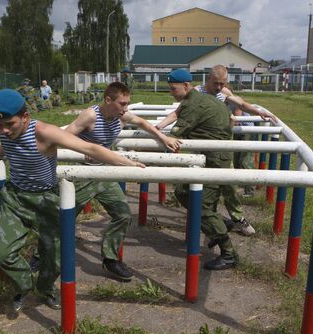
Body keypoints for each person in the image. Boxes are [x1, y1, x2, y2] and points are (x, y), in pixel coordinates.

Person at [0, 89, 145, 312]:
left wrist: (127, 163)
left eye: (9, 124)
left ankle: (45, 289)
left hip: (46, 200)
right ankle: (24, 285)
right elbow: (5, 147)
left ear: (25, 117)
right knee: (2, 255)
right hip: (15, 199)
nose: (4, 130)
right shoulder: (6, 130)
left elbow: (89, 147)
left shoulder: (45, 132)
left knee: (56, 258)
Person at [64, 81, 181, 281]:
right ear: (108, 100)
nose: (126, 109)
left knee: (123, 215)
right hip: (83, 175)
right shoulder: (90, 116)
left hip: (104, 173)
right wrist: (82, 151)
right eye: (122, 104)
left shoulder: (120, 115)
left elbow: (142, 122)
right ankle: (41, 257)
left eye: (127, 104)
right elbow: (63, 136)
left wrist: (163, 138)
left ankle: (110, 259)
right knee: (63, 221)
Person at [156, 65, 261, 236]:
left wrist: (257, 112)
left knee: (228, 184)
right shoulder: (196, 92)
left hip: (220, 144)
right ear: (208, 80)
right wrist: (159, 127)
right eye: (216, 83)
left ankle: (237, 218)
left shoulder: (224, 92)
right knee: (202, 186)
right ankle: (213, 219)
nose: (219, 87)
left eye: (222, 83)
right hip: (201, 144)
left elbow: (240, 103)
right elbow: (178, 113)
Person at [162, 69, 238, 270]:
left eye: (173, 88)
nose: (171, 92)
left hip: (215, 161)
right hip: (211, 157)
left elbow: (174, 138)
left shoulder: (193, 104)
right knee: (182, 191)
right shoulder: (204, 99)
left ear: (186, 86)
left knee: (202, 207)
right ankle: (221, 223)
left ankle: (229, 253)